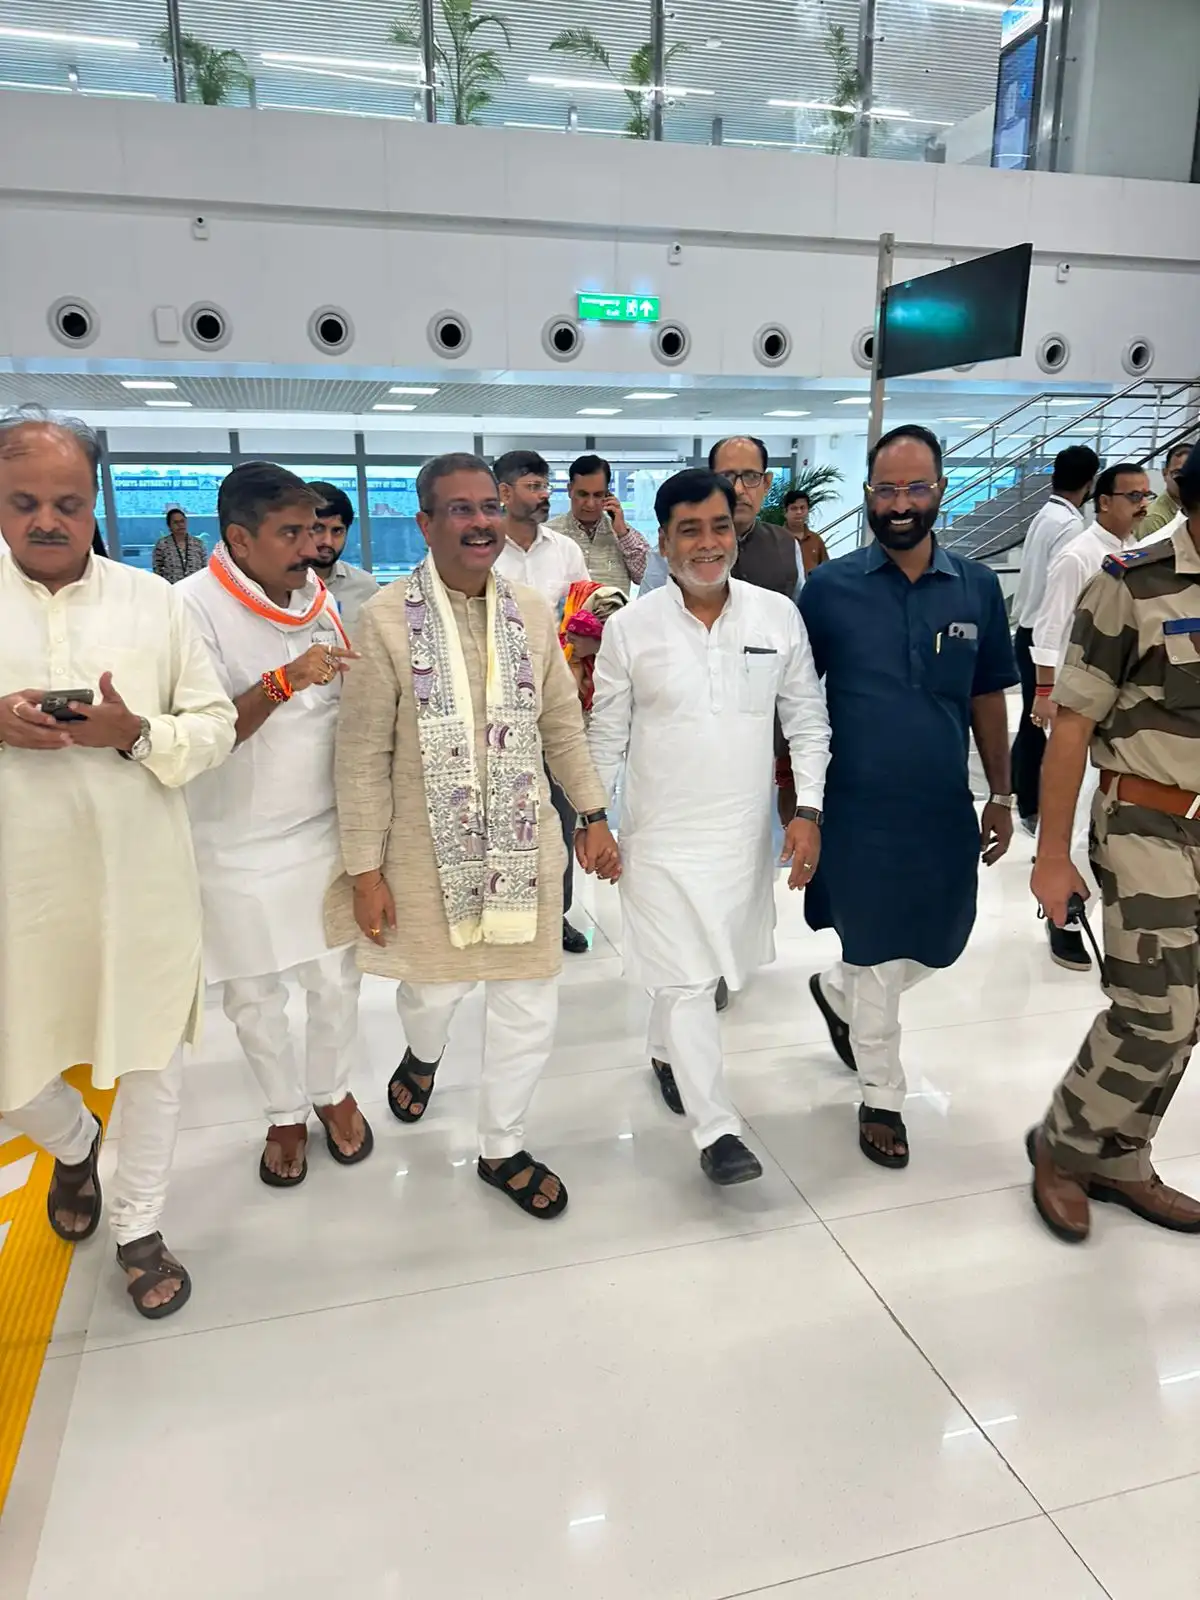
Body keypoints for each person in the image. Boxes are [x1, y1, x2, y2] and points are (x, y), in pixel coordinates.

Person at [327, 452, 617, 1220]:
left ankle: (502, 1145)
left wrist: (592, 814)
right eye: (460, 509)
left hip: (526, 847)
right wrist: (364, 871)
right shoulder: (384, 619)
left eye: (489, 506)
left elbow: (562, 724)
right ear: (425, 523)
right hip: (424, 857)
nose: (482, 521)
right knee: (432, 994)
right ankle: (423, 1054)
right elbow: (361, 756)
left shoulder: (532, 611)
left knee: (529, 1005)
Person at [0, 406, 236, 1318]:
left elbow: (213, 729)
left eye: (67, 502)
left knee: (151, 1064)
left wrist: (135, 733)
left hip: (140, 884)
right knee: (13, 1065)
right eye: (24, 502)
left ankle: (138, 1225)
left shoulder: (154, 603)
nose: (47, 521)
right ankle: (72, 1144)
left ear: (95, 500)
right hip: (19, 890)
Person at [589, 469, 830, 1184]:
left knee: (705, 969)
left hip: (741, 838)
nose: (707, 543)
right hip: (658, 839)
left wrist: (809, 811)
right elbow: (606, 735)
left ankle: (665, 1051)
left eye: (719, 527)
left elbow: (807, 721)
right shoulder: (631, 628)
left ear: (736, 533)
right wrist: (594, 817)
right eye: (688, 530)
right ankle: (718, 1130)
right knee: (689, 981)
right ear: (663, 542)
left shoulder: (776, 617)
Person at [801, 424, 1019, 1169]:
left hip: (940, 804)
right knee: (875, 953)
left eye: (916, 488)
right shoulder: (829, 589)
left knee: (938, 941)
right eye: (887, 490)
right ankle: (882, 1094)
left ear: (941, 492)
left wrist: (1001, 794)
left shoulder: (977, 587)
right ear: (868, 495)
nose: (900, 504)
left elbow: (987, 695)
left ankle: (835, 992)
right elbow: (797, 701)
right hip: (856, 807)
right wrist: (800, 804)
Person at [179, 462, 371, 1188]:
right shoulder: (189, 609)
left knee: (336, 980)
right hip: (231, 838)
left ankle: (332, 1091)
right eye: (291, 533)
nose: (312, 545)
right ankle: (283, 1112)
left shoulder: (319, 599)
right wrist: (285, 680)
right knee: (255, 996)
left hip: (322, 826)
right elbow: (204, 735)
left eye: (315, 529)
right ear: (239, 539)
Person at [1027, 441, 1200, 1244]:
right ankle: (1062, 1147)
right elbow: (1072, 725)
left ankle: (1125, 1158)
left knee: (1190, 1016)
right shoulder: (1131, 583)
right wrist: (1051, 856)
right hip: (1144, 822)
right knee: (1153, 1012)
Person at [1029, 462, 1151, 972]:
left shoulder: (1143, 554)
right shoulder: (1079, 555)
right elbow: (1049, 628)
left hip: (1126, 713)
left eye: (1147, 496)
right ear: (1103, 501)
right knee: (1077, 816)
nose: (1142, 505)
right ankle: (1065, 918)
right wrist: (1044, 691)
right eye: (1132, 496)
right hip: (1076, 705)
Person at [494, 449, 592, 954]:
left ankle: (558, 913)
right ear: (504, 492)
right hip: (496, 703)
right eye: (533, 486)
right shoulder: (484, 550)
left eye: (545, 485)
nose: (544, 495)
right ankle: (505, 910)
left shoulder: (564, 550)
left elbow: (584, 616)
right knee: (505, 812)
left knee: (560, 808)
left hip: (556, 701)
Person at [1009, 446, 1100, 835]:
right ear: (1091, 484)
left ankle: (1021, 795)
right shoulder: (1070, 527)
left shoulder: (1046, 515)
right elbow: (1059, 595)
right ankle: (1030, 806)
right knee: (1041, 723)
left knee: (1032, 723)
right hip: (1045, 637)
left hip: (1029, 630)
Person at [547, 453, 650, 592]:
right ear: (570, 490)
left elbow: (645, 578)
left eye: (598, 495)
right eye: (583, 494)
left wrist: (622, 533)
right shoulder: (549, 534)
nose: (590, 504)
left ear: (607, 494)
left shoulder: (624, 534)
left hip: (615, 607)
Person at [305, 480, 379, 632]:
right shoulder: (275, 586)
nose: (328, 541)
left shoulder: (366, 588)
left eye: (337, 531)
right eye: (318, 528)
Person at [1138, 442, 1192, 540]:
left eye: (1192, 473)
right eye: (1177, 473)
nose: (1184, 479)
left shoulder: (1192, 508)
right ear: (1164, 473)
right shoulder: (1154, 518)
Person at [152, 505, 207, 583]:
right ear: (169, 525)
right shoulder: (162, 544)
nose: (180, 525)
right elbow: (157, 571)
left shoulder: (198, 544)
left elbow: (204, 569)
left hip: (195, 587)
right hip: (172, 587)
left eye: (182, 521)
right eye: (176, 522)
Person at [784, 489, 830, 575]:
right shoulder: (777, 538)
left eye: (802, 508)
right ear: (785, 512)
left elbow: (826, 569)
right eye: (794, 508)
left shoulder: (816, 540)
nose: (799, 512)